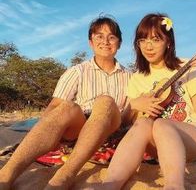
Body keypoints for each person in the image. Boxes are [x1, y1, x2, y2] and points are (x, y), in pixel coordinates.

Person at [0, 16, 131, 190]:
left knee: (105, 101)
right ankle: (7, 174)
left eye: (111, 37)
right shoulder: (77, 72)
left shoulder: (130, 77)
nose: (105, 41)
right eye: (99, 36)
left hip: (110, 127)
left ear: (119, 43)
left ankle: (64, 175)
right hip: (79, 129)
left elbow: (130, 114)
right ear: (91, 42)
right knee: (68, 107)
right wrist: (47, 133)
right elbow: (55, 107)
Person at [102, 13, 196, 190]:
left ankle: (174, 186)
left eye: (156, 39)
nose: (148, 46)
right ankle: (110, 185)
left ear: (168, 42)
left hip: (194, 136)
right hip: (159, 145)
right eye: (143, 40)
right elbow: (129, 123)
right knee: (142, 124)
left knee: (162, 124)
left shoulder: (186, 65)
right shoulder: (137, 79)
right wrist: (134, 106)